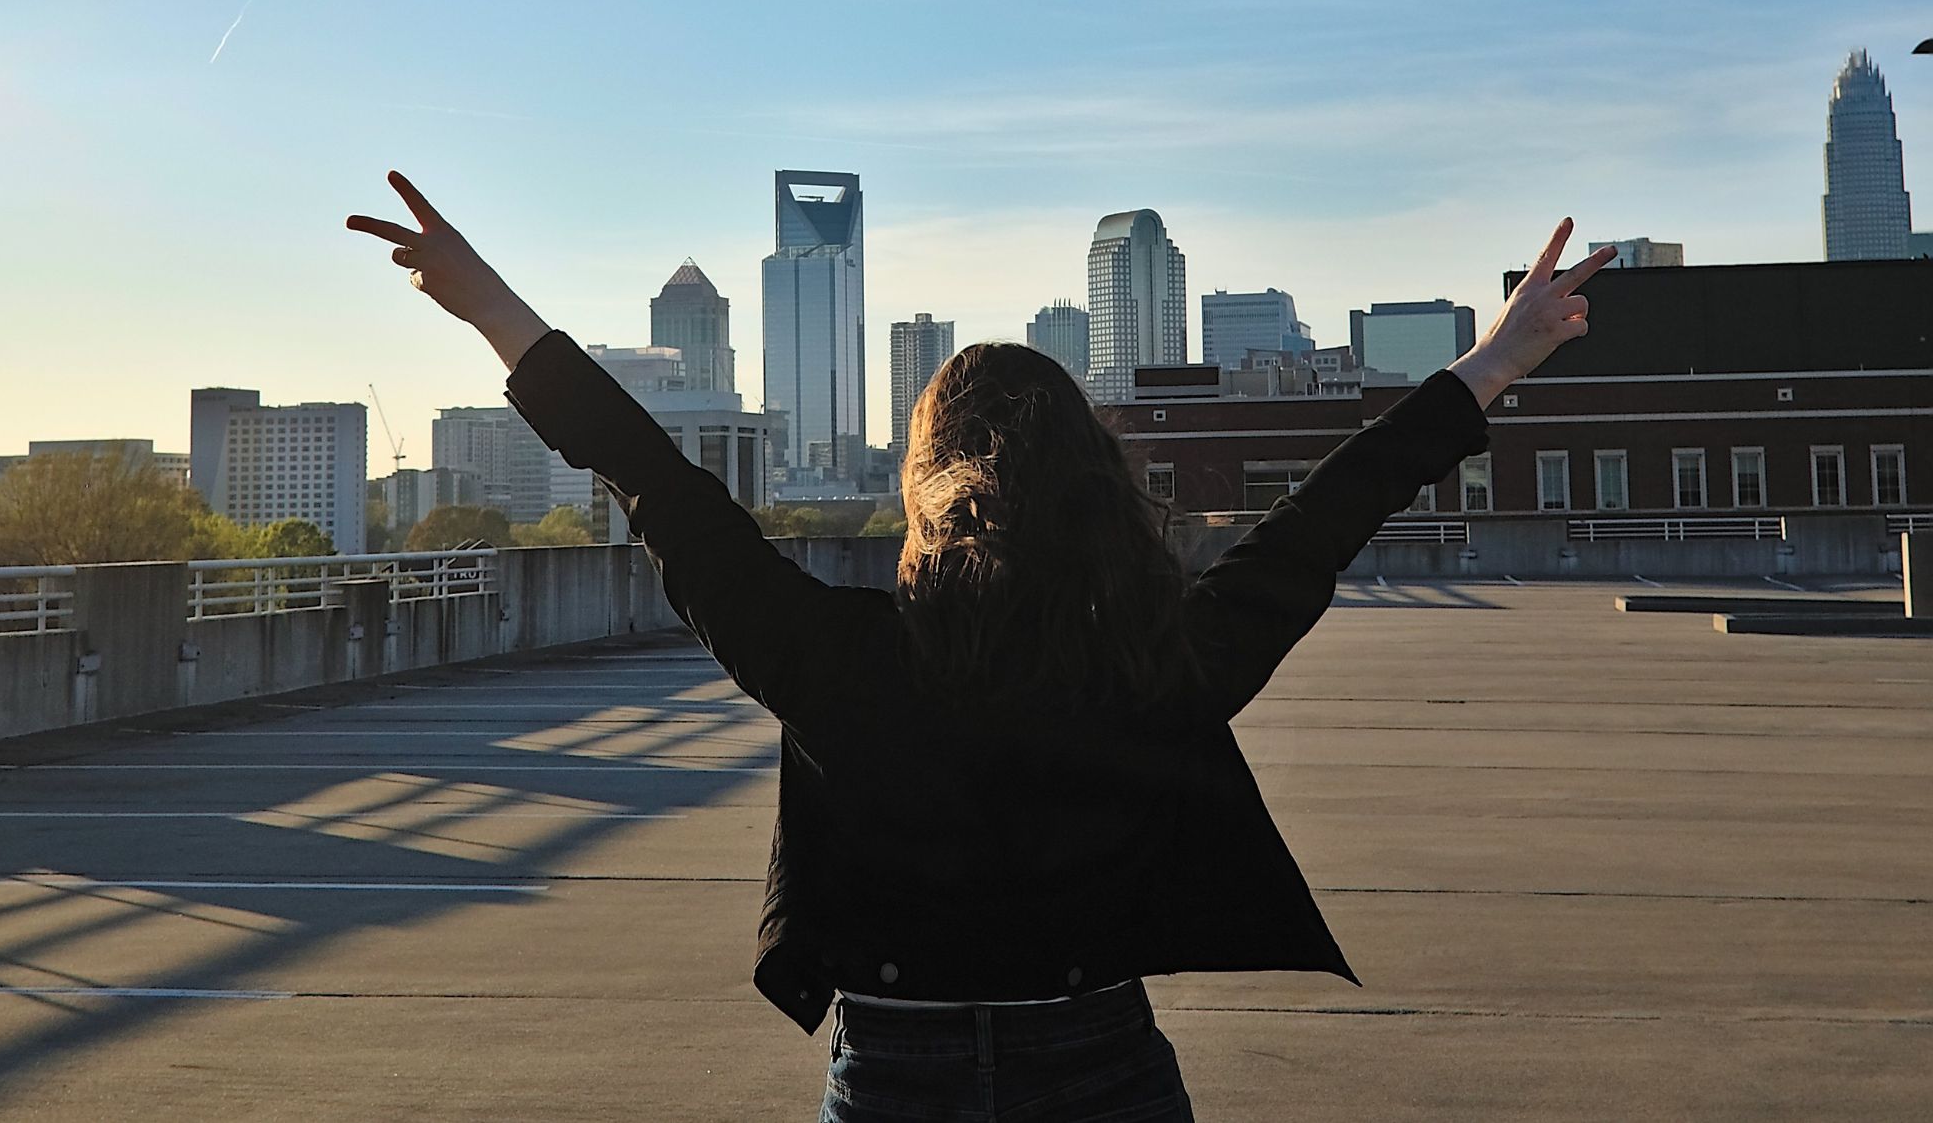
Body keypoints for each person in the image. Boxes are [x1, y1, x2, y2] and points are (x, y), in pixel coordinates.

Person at [350, 172, 1613, 1121]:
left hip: (897, 1074)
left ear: (921, 481)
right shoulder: (1151, 663)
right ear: (1088, 484)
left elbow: (653, 480)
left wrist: (490, 309)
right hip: (1098, 1058)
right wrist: (1495, 358)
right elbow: (1320, 520)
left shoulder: (834, 659)